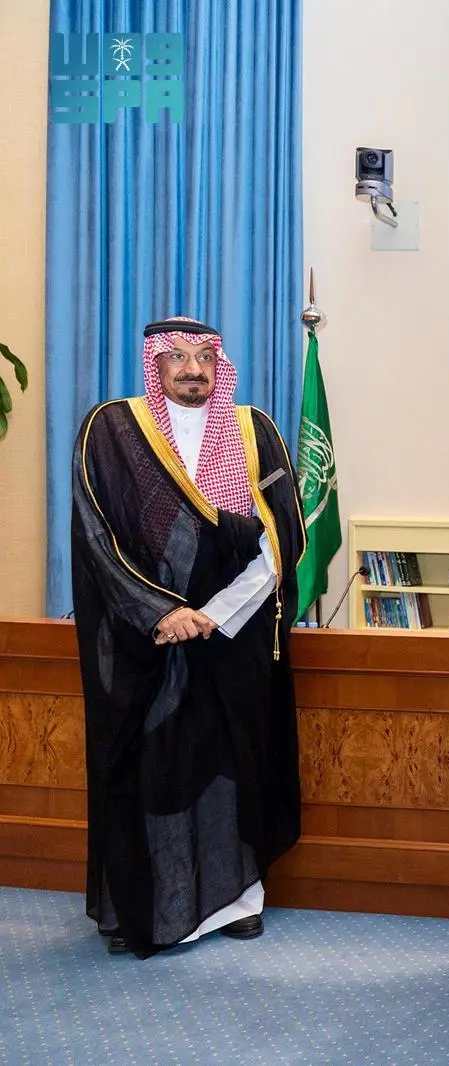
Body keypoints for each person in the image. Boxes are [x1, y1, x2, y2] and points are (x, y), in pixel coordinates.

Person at [70, 317, 305, 958]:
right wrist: (160, 611)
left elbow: (282, 536)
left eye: (204, 356)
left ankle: (239, 902)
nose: (193, 369)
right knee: (150, 769)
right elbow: (95, 535)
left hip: (234, 636)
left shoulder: (256, 431)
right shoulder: (112, 430)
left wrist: (217, 612)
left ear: (218, 364)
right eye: (177, 357)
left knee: (233, 765)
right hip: (144, 639)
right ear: (156, 364)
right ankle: (145, 906)